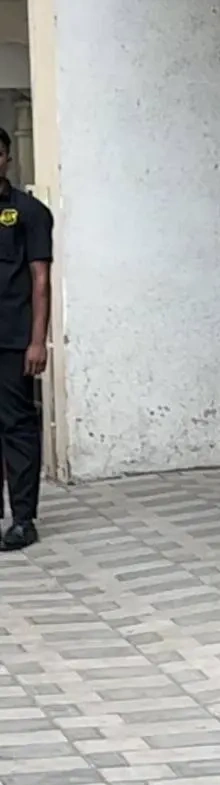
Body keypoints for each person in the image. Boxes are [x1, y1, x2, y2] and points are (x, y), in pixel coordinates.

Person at [0, 127, 52, 552]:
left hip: (13, 340)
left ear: (7, 160)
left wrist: (38, 341)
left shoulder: (29, 212)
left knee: (16, 427)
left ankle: (23, 518)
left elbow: (40, 281)